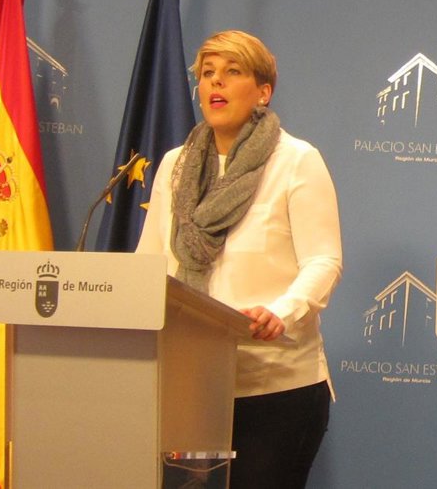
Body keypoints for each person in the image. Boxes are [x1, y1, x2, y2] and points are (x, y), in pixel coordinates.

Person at [136, 30, 343, 488]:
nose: (216, 82)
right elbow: (149, 263)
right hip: (187, 384)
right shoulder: (175, 165)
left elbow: (324, 261)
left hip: (273, 386)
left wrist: (281, 313)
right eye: (207, 73)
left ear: (263, 92)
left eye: (232, 72)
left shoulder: (296, 161)